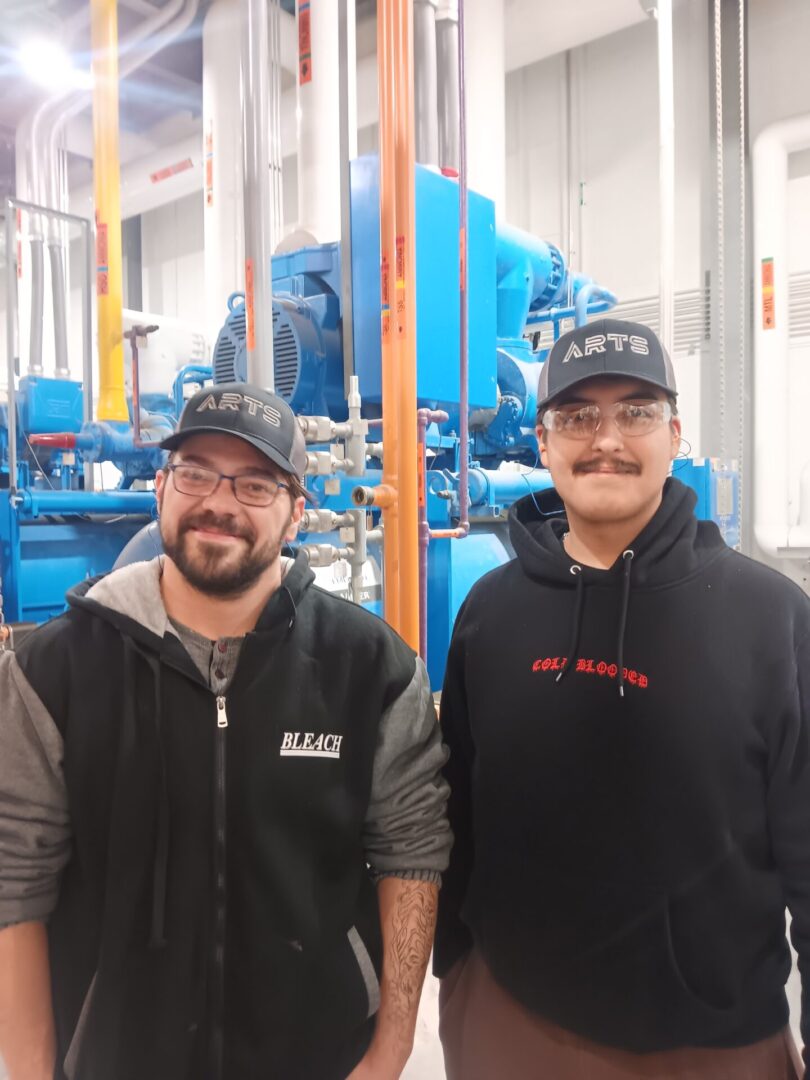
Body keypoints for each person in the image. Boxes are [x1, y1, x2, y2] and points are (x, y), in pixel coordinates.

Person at [0, 382, 451, 1080]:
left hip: (315, 1060)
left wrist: (388, 1055)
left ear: (296, 513)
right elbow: (15, 875)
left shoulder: (370, 669)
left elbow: (411, 858)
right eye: (196, 473)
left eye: (255, 484)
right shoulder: (55, 670)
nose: (220, 502)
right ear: (160, 488)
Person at [434, 318, 810, 1080]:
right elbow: (458, 818)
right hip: (508, 1024)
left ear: (674, 435)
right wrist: (457, 974)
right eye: (577, 416)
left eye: (635, 412)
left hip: (710, 1047)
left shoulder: (771, 619)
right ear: (543, 443)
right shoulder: (489, 612)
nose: (605, 439)